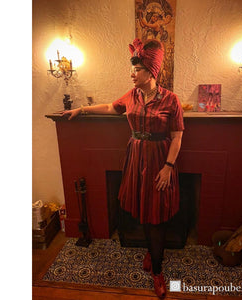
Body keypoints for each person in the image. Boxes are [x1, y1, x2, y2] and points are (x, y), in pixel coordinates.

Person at [61, 38, 184, 299]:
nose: (132, 74)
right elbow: (110, 107)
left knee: (157, 213)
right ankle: (152, 252)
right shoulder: (132, 95)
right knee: (143, 209)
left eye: (137, 69)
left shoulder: (171, 100)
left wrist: (168, 167)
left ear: (151, 72)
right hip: (136, 158)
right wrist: (80, 110)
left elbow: (177, 137)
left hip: (160, 160)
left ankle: (158, 272)